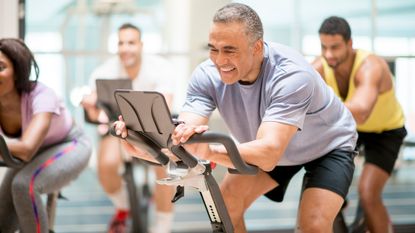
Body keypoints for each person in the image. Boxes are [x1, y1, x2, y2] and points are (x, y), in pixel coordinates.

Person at [114, 3, 358, 233]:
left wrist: (209, 152)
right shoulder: (207, 75)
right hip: (270, 146)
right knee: (227, 207)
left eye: (230, 50)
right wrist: (152, 148)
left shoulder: (291, 75)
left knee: (313, 225)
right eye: (213, 49)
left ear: (257, 47)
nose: (220, 60)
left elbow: (269, 153)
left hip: (327, 146)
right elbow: (185, 133)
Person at [312, 16, 407, 233]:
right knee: (323, 187)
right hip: (348, 130)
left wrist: (318, 111)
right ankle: (340, 203)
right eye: (324, 47)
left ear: (349, 44)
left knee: (368, 193)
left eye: (335, 47)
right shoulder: (319, 66)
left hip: (385, 132)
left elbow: (361, 112)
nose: (328, 54)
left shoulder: (370, 66)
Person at [81, 23, 175, 233]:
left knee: (165, 165)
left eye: (131, 43)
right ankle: (123, 208)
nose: (125, 48)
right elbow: (97, 116)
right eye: (121, 43)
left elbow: (165, 106)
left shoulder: (161, 67)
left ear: (141, 45)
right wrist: (91, 107)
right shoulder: (102, 71)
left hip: (151, 129)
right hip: (117, 130)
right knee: (105, 165)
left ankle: (163, 226)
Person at [0, 38, 92, 233]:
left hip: (71, 143)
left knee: (24, 185)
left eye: (1, 67)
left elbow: (25, 150)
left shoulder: (42, 95)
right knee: (2, 220)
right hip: (37, 152)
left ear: (18, 72)